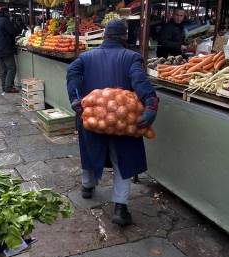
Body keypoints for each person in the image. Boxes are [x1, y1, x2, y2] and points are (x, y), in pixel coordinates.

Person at [66, 19, 159, 226]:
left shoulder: (86, 57)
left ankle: (87, 186)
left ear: (105, 35)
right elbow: (139, 80)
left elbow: (72, 73)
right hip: (123, 120)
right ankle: (120, 208)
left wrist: (74, 97)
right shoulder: (132, 57)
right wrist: (151, 104)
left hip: (91, 116)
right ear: (125, 37)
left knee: (89, 149)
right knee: (121, 160)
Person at [0, 8, 18, 94]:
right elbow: (13, 32)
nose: (10, 14)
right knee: (12, 68)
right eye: (9, 13)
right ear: (6, 13)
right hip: (6, 48)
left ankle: (4, 86)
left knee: (3, 70)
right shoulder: (5, 21)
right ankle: (8, 87)